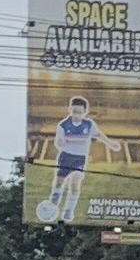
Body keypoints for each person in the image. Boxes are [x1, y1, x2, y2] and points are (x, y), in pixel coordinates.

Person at [36, 94, 99, 224]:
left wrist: (111, 143)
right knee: (60, 181)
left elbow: (98, 134)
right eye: (74, 111)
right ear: (70, 109)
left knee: (75, 184)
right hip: (66, 156)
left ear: (85, 112)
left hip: (80, 158)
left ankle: (69, 210)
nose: (76, 114)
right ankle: (53, 205)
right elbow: (58, 143)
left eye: (79, 112)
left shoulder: (88, 124)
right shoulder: (63, 125)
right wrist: (61, 142)